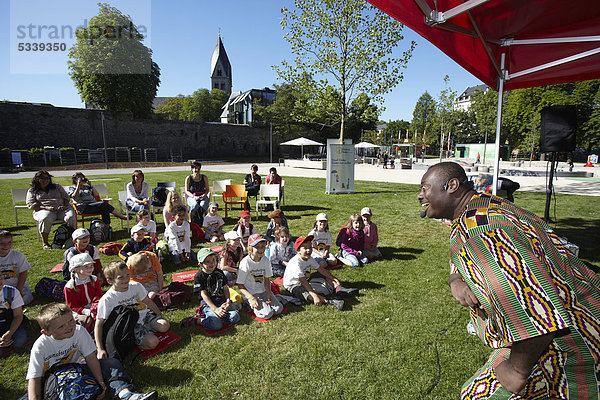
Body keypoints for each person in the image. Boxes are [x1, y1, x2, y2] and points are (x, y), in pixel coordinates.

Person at [418, 161, 600, 399]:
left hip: (571, 341)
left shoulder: (482, 232)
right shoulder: (481, 209)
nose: (420, 196)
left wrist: (516, 370)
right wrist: (455, 280)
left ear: (451, 185)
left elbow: (538, 312)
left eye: (425, 188)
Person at [27, 302, 158, 400]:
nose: (69, 327)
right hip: (55, 379)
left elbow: (91, 357)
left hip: (79, 369)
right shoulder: (40, 346)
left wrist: (100, 384)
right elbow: (35, 378)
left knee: (110, 363)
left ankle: (125, 394)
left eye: (70, 320)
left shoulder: (78, 330)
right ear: (47, 332)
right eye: (61, 326)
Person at [95, 261, 170, 354]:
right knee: (153, 342)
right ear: (110, 281)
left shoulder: (136, 286)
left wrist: (159, 315)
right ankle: (135, 341)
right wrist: (100, 349)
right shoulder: (107, 299)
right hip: (131, 326)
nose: (126, 279)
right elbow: (99, 324)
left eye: (127, 275)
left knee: (164, 325)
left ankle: (146, 332)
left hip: (144, 316)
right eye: (120, 277)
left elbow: (148, 301)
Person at [283, 236, 358, 310]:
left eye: (310, 247)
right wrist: (315, 295)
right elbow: (303, 281)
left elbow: (320, 269)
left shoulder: (309, 258)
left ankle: (339, 289)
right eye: (305, 248)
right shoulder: (296, 263)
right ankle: (330, 301)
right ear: (298, 251)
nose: (308, 250)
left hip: (306, 278)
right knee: (303, 292)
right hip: (293, 284)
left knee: (324, 274)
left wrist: (334, 279)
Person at [236, 234, 283, 320]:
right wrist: (251, 298)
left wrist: (269, 293)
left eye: (262, 246)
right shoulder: (245, 263)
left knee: (278, 309)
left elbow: (267, 279)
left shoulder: (265, 260)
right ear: (250, 249)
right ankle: (248, 303)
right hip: (252, 294)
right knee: (268, 314)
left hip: (263, 291)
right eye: (257, 247)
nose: (261, 249)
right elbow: (240, 285)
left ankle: (263, 304)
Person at [193, 248, 241, 331]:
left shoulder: (219, 272)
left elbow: (225, 288)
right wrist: (215, 309)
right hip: (209, 305)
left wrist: (227, 301)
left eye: (213, 260)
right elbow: (203, 294)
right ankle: (198, 320)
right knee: (216, 325)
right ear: (200, 264)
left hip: (221, 302)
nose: (212, 263)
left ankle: (220, 316)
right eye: (207, 262)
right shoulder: (198, 277)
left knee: (235, 316)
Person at [26, 170, 76, 249]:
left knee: (71, 216)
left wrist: (65, 206)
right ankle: (45, 243)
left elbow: (67, 198)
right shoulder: (32, 191)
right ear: (37, 179)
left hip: (62, 208)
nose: (45, 180)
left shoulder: (57, 187)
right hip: (43, 210)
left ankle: (72, 239)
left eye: (47, 178)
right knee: (45, 218)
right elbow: (31, 204)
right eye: (42, 178)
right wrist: (46, 208)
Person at [63, 253, 102, 332]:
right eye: (86, 267)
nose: (90, 268)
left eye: (91, 266)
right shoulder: (69, 287)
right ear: (75, 269)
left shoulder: (94, 279)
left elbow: (98, 295)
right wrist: (85, 311)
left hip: (92, 306)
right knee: (86, 321)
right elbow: (72, 307)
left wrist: (95, 305)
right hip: (78, 311)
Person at [0, 230, 34, 305]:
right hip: (1, 288)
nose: (6, 246)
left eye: (9, 242)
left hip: (17, 286)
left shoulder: (18, 256)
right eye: (2, 243)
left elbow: (23, 274)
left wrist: (18, 291)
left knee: (23, 299)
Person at [0, 273, 28, 357]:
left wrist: (9, 333)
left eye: (0, 277)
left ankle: (6, 340)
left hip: (10, 323)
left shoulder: (12, 292)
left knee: (20, 340)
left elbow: (18, 316)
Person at [184, 160, 210, 225]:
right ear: (192, 169)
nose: (197, 170)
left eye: (198, 169)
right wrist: (193, 197)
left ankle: (206, 220)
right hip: (192, 196)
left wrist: (204, 195)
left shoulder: (204, 177)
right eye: (195, 168)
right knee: (195, 205)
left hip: (202, 196)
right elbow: (187, 190)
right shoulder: (188, 178)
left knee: (203, 205)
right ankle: (191, 221)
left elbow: (207, 189)